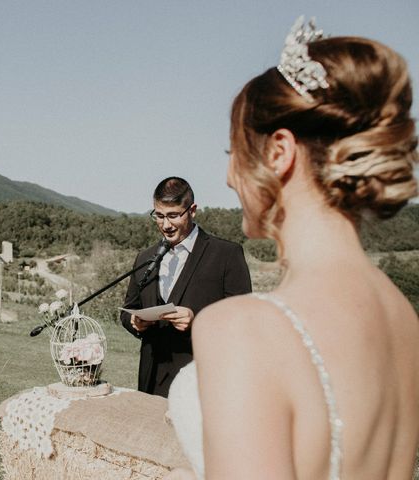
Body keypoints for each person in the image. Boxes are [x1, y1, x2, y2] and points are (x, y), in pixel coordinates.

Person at [167, 17, 419, 479]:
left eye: (233, 154)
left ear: (279, 151)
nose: (228, 177)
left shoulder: (243, 329)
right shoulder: (405, 319)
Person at [121, 176, 251, 397]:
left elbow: (245, 319)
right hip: (150, 381)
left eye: (173, 215)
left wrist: (197, 319)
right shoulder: (145, 258)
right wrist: (135, 322)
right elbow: (129, 309)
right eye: (159, 216)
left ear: (192, 210)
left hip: (203, 381)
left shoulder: (226, 254)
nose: (166, 225)